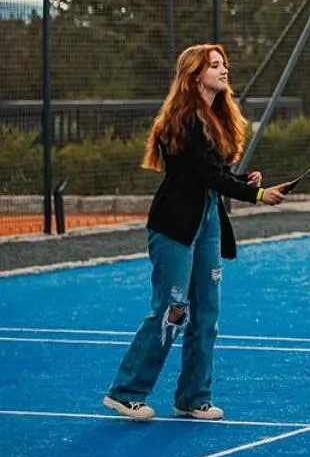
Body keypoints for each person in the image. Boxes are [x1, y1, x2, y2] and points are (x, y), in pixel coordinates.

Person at [103, 43, 288, 422]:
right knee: (172, 311)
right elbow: (203, 173)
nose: (223, 70)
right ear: (195, 75)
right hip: (174, 225)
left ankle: (193, 398)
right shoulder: (184, 119)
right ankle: (126, 392)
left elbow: (210, 174)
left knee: (206, 313)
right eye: (214, 65)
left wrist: (242, 181)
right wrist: (257, 194)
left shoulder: (216, 117)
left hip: (207, 222)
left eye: (224, 65)